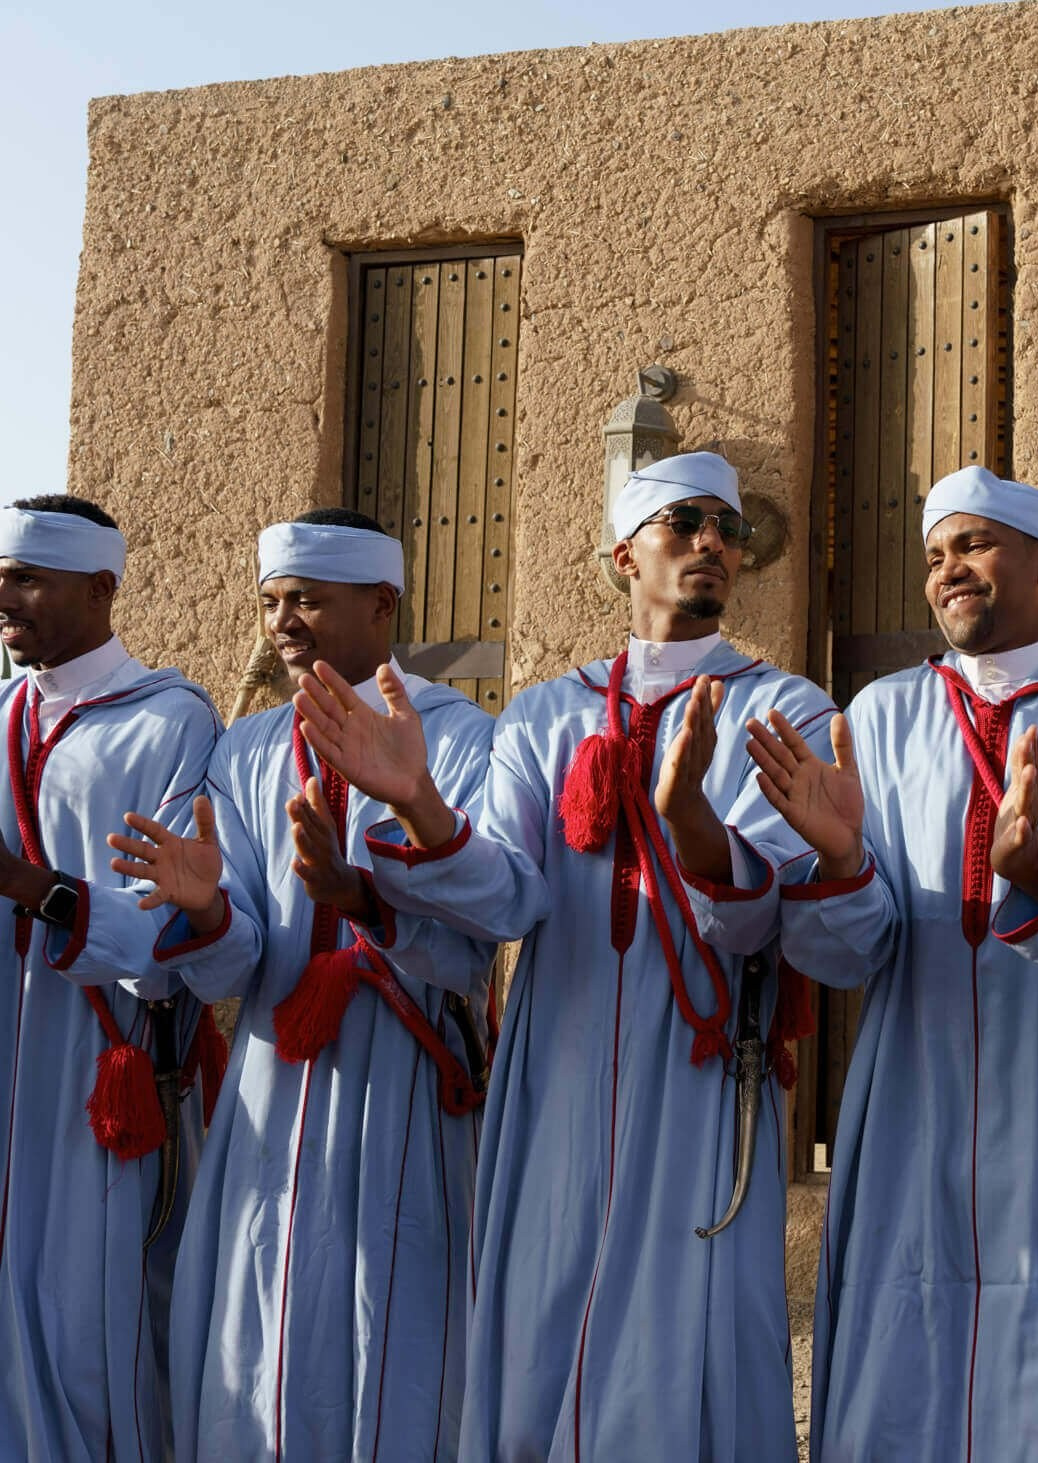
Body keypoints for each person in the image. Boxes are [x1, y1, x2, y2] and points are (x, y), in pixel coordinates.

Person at [297, 452, 837, 1460]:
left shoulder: (785, 711)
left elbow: (777, 915)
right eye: (684, 522)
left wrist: (696, 824)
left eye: (726, 526)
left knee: (691, 1332)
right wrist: (417, 801)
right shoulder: (546, 713)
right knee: (544, 1311)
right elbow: (507, 896)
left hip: (703, 1073)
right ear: (626, 553)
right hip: (557, 1070)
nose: (712, 542)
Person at [747, 464, 1038, 1463]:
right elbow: (849, 949)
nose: (950, 568)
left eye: (975, 544)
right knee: (897, 1368)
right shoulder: (876, 717)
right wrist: (834, 859)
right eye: (935, 554)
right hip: (910, 1103)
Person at [116, 508, 496, 1461]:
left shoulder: (458, 739)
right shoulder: (242, 753)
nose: (285, 621)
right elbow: (241, 960)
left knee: (404, 1319)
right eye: (275, 601)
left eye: (309, 601)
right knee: (262, 1312)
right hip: (272, 1086)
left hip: (408, 1078)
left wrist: (360, 897)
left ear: (383, 604)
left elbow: (477, 936)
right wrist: (205, 910)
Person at [0, 495, 224, 1460]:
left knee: (96, 1332)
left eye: (28, 579)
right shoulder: (6, 714)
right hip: (7, 1066)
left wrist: (32, 886)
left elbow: (174, 919)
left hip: (103, 1066)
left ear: (101, 587)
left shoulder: (170, 721)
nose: (6, 597)